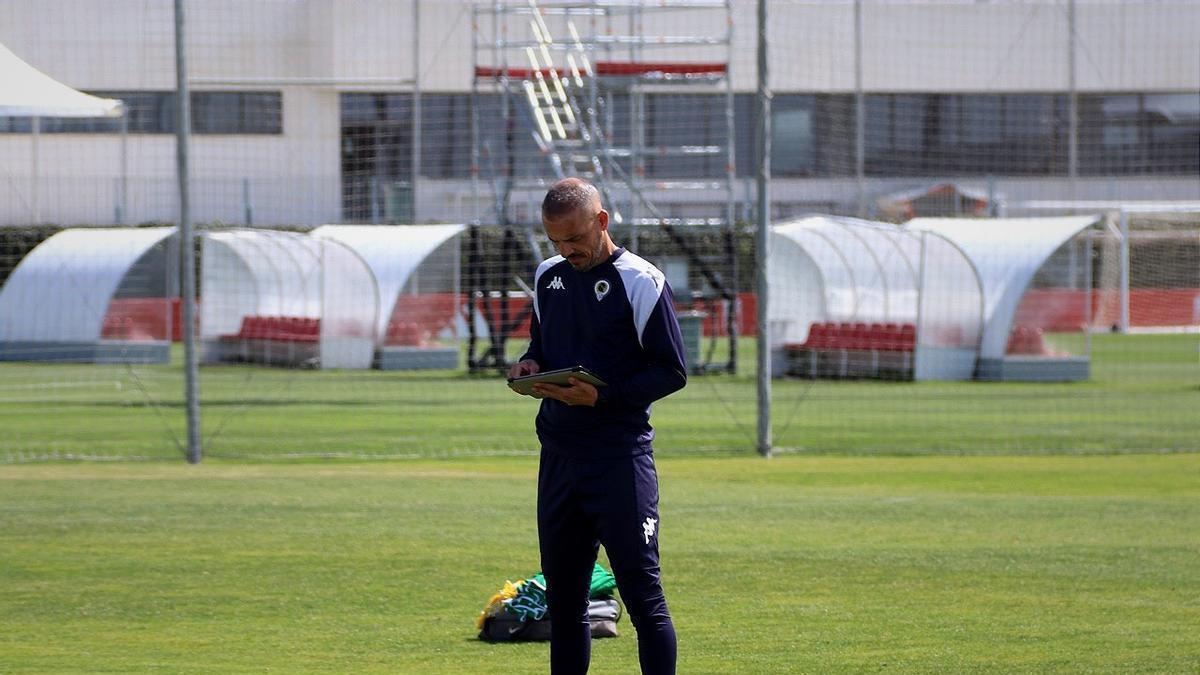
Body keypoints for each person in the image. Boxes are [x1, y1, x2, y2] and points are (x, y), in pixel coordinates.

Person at [508, 177, 688, 674]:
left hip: (619, 461)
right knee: (565, 604)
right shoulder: (549, 277)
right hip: (560, 459)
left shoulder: (641, 281)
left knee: (643, 600)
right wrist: (529, 365)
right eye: (556, 242)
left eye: (575, 239)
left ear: (601, 221)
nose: (567, 251)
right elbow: (543, 346)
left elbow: (671, 371)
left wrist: (603, 396)